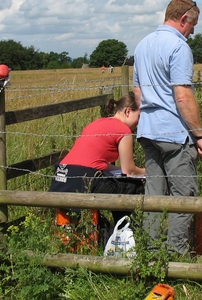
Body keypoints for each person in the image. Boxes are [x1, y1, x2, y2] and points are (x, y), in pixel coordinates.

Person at [132, 0, 202, 255]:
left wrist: (149, 114)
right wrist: (199, 136)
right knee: (183, 196)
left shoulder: (143, 45)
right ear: (183, 18)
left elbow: (138, 92)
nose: (193, 31)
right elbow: (182, 95)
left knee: (154, 194)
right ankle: (176, 253)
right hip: (174, 134)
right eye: (193, 24)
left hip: (148, 130)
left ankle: (151, 252)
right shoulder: (178, 47)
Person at [49, 93, 145, 224]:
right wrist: (148, 173)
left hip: (62, 176)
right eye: (139, 117)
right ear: (128, 111)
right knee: (133, 186)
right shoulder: (124, 130)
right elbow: (130, 171)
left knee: (117, 186)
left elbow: (96, 161)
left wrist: (119, 170)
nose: (139, 123)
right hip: (84, 180)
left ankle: (109, 230)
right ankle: (129, 231)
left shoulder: (97, 123)